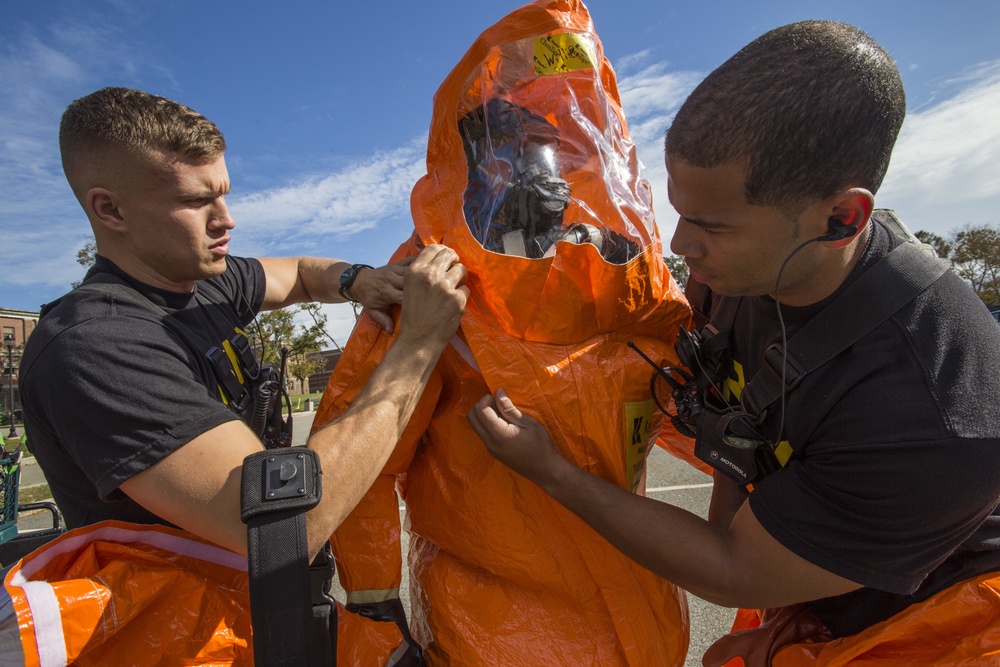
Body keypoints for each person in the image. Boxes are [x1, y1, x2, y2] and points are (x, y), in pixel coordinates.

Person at [469, 20, 1000, 666]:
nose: (683, 247)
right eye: (679, 212)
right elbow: (729, 450)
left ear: (843, 218)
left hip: (946, 623)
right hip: (822, 579)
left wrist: (555, 473)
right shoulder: (749, 266)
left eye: (711, 226)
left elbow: (729, 563)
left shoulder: (933, 411)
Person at [12, 86, 468, 663]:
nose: (226, 220)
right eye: (197, 201)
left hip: (260, 618)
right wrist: (418, 346)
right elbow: (287, 526)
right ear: (110, 210)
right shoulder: (95, 345)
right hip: (182, 640)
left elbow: (303, 274)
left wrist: (358, 279)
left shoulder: (204, 282)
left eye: (224, 194)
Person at [311, 2, 693, 665]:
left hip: (646, 622)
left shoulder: (624, 285)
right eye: (515, 161)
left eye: (550, 159)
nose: (537, 180)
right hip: (493, 635)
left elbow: (698, 415)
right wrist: (376, 614)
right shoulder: (437, 294)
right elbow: (358, 462)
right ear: (480, 172)